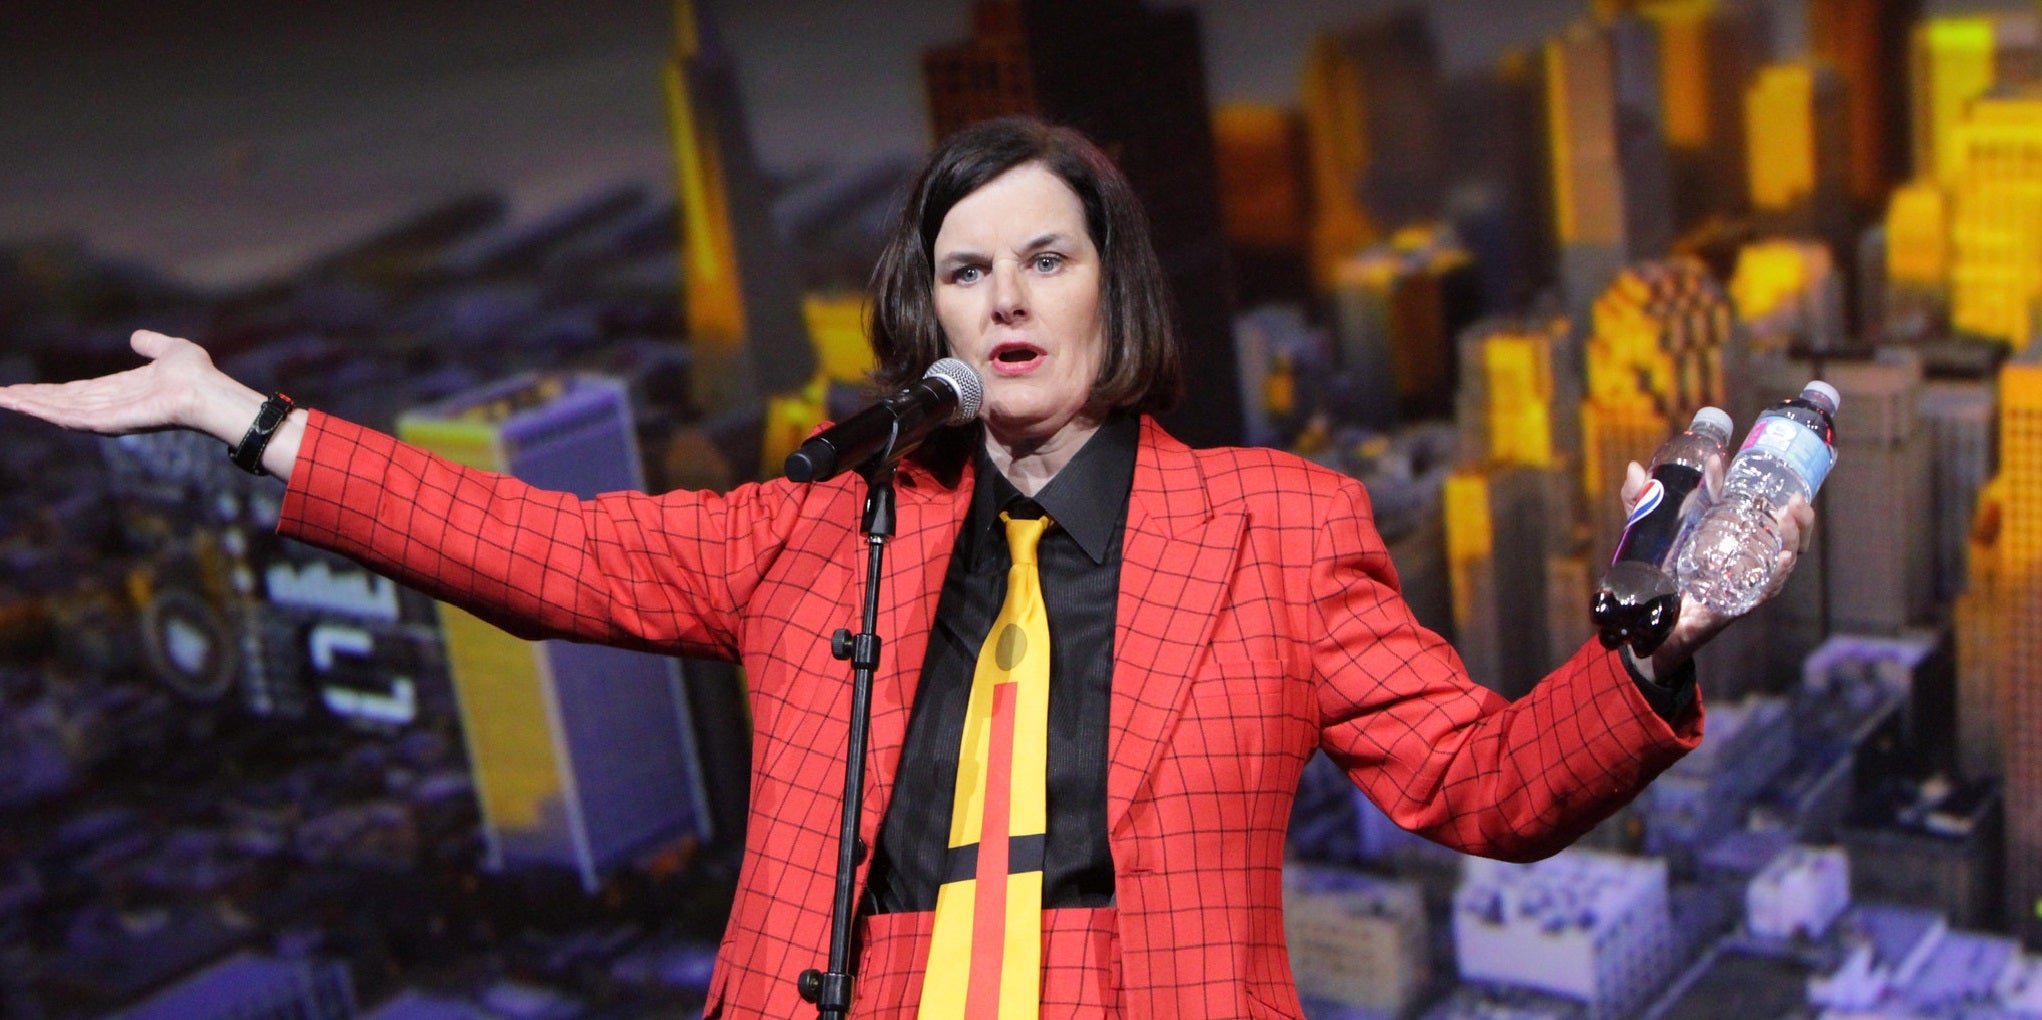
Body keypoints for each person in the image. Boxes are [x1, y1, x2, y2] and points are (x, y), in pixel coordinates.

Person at [0, 116, 1810, 1018]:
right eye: (965, 270)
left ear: (1117, 286)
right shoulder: (822, 527)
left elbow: (1481, 785)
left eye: (1045, 258)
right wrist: (247, 422)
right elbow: (537, 548)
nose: (1005, 298)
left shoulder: (1278, 527)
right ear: (923, 311)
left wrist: (1644, 650)